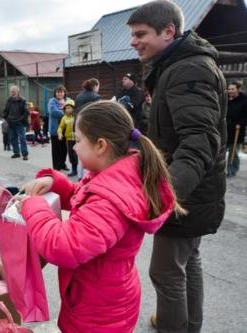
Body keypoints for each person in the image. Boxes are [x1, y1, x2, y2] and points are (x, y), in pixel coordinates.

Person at [18, 101, 184, 332]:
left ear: (101, 146)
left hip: (98, 311)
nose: (74, 148)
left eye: (78, 141)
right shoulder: (112, 174)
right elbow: (84, 197)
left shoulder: (111, 198)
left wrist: (33, 206)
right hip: (98, 296)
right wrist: (56, 184)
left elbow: (63, 246)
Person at [127, 1, 227, 331]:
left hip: (185, 193)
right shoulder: (176, 66)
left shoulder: (188, 69)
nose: (133, 41)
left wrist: (164, 192)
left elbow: (199, 141)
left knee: (166, 272)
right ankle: (188, 324)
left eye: (140, 34)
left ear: (168, 31)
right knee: (188, 262)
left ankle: (174, 326)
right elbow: (173, 131)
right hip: (193, 191)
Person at [226, 81, 247, 177]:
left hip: (237, 130)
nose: (230, 91)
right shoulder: (225, 99)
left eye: (232, 89)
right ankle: (219, 170)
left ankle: (232, 169)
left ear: (238, 89)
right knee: (220, 151)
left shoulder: (244, 100)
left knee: (233, 151)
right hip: (225, 129)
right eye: (229, 89)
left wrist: (240, 124)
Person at [48, 85, 71, 170]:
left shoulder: (68, 100)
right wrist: (65, 112)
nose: (60, 94)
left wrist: (63, 110)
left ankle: (62, 164)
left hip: (66, 129)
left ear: (64, 92)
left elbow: (72, 110)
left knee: (64, 148)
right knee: (56, 149)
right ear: (55, 93)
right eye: (58, 92)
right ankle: (56, 167)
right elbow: (53, 112)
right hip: (55, 129)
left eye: (61, 92)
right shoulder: (52, 101)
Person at [3, 85, 29, 160]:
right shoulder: (9, 100)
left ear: (18, 92)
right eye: (11, 91)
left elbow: (25, 112)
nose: (13, 93)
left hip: (19, 123)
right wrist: (6, 118)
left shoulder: (22, 100)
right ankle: (16, 153)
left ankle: (25, 154)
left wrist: (20, 120)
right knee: (13, 139)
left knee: (22, 139)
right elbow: (5, 110)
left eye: (14, 91)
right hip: (11, 123)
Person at [57, 100, 78, 177]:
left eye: (69, 108)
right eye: (66, 108)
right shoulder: (64, 118)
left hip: (77, 140)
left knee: (78, 155)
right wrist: (59, 133)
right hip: (69, 140)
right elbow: (61, 127)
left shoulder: (76, 116)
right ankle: (74, 170)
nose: (67, 110)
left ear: (73, 108)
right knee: (72, 156)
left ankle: (81, 170)